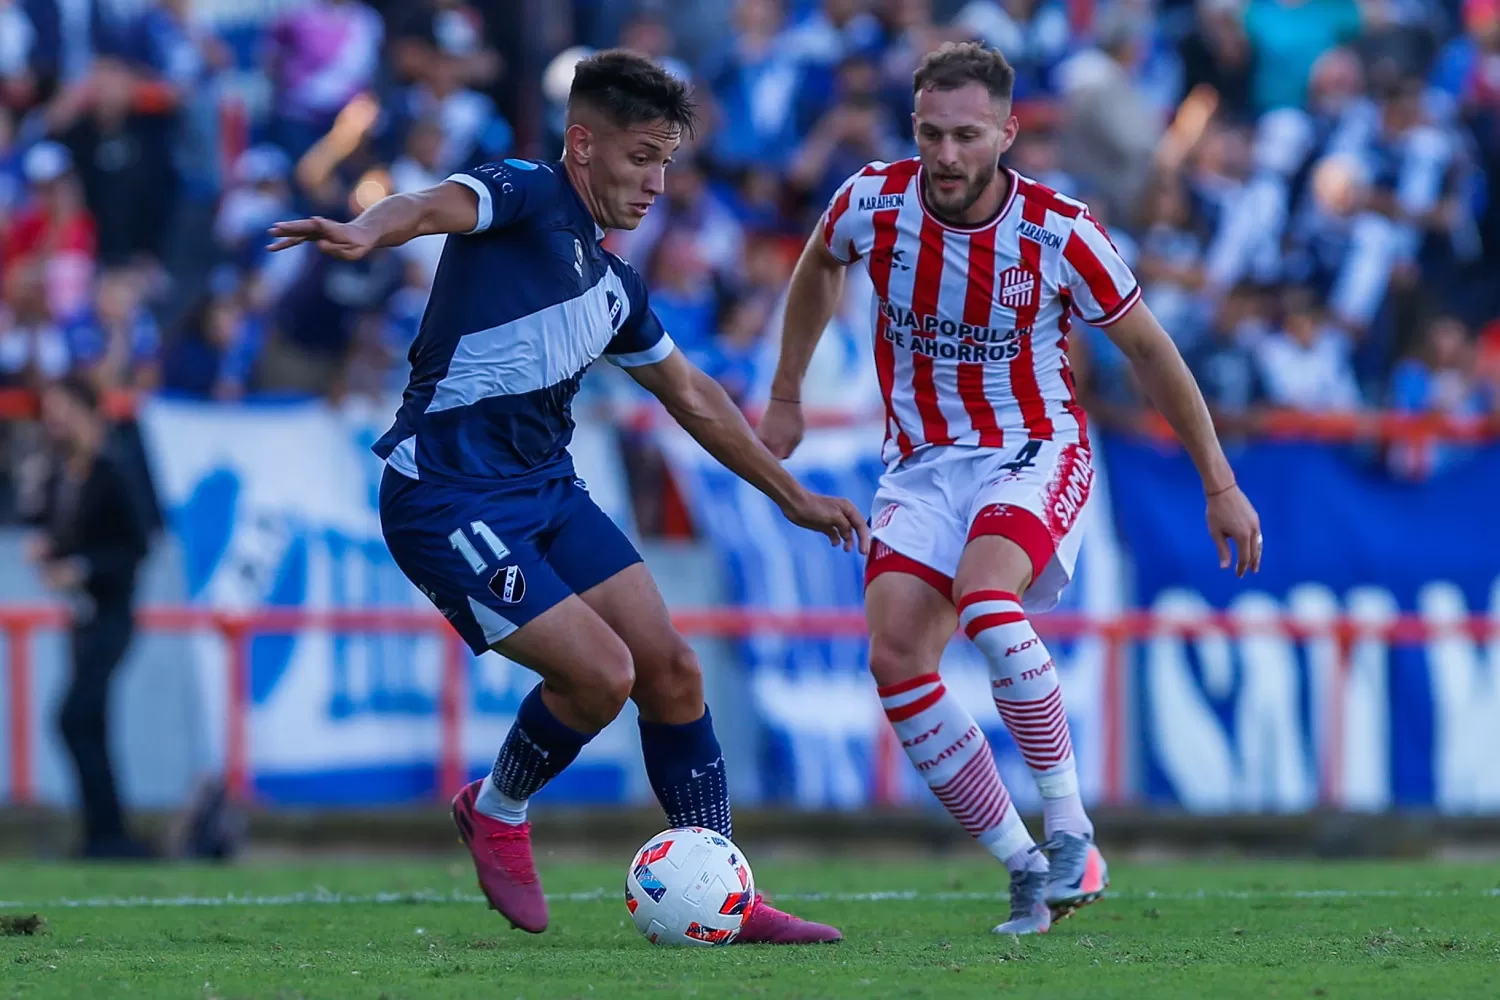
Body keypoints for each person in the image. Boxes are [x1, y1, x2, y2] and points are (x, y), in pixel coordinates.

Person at [267, 50, 864, 943]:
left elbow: (693, 395)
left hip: (546, 489)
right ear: (582, 145)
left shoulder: (616, 286)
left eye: (667, 161)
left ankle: (723, 895)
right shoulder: (522, 190)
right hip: (446, 496)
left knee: (671, 671)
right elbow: (430, 205)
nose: (658, 182)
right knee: (601, 674)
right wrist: (369, 230)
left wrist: (790, 495)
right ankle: (498, 809)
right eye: (639, 158)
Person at [758, 42, 1264, 935]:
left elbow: (1149, 349)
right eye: (929, 134)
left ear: (1006, 132)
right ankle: (1025, 864)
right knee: (895, 657)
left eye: (964, 136)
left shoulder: (1060, 230)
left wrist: (1218, 481)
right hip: (919, 464)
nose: (945, 155)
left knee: (989, 603)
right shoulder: (872, 200)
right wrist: (789, 392)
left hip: (1032, 449)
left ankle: (1072, 829)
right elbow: (818, 263)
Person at [19, 375, 152, 859]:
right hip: (81, 618)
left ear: (86, 411)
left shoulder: (114, 469)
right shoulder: (59, 473)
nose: (52, 421)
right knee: (90, 722)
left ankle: (108, 831)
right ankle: (105, 835)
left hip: (112, 614)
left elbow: (136, 547)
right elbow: (61, 533)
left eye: (61, 410)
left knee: (73, 717)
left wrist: (81, 567)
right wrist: (51, 549)